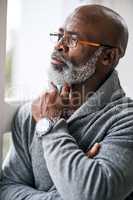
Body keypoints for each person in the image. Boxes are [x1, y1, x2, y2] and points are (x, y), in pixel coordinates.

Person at [0, 4, 133, 200]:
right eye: (59, 35)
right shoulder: (31, 112)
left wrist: (50, 124)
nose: (58, 45)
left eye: (72, 39)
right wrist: (66, 193)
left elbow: (93, 193)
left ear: (108, 57)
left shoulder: (127, 121)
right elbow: (7, 188)